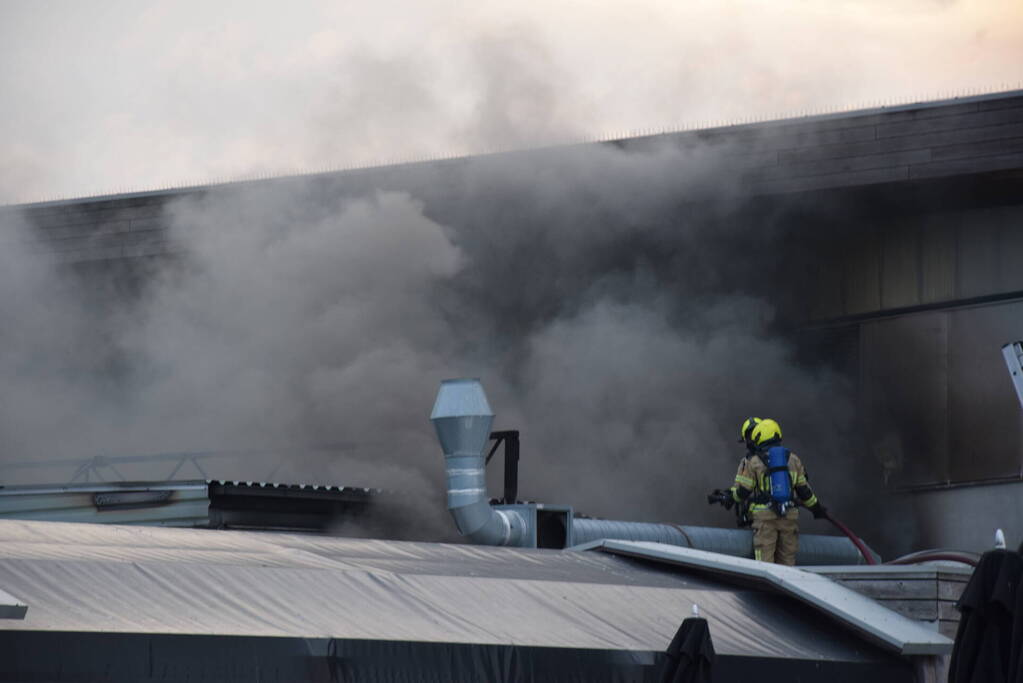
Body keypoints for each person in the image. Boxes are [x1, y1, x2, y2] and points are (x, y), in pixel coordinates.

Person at [709, 417, 826, 566]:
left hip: (765, 520)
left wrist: (730, 498)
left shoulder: (754, 462)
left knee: (765, 566)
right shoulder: (793, 459)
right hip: (789, 518)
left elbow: (743, 491)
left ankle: (767, 589)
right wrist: (817, 508)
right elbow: (805, 492)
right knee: (787, 564)